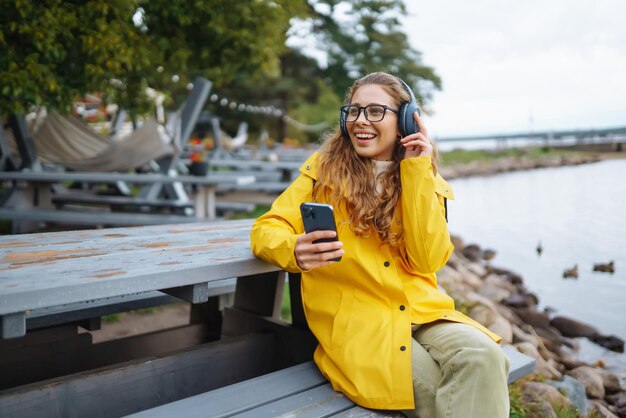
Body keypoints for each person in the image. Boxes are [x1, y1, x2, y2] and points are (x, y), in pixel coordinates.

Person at [250, 72, 510, 417]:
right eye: (354, 111)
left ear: (404, 119)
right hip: (360, 322)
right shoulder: (322, 173)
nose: (361, 121)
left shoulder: (424, 179)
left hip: (422, 310)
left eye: (375, 111)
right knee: (445, 396)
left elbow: (427, 260)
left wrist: (416, 172)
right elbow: (266, 228)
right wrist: (293, 248)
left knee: (485, 357)